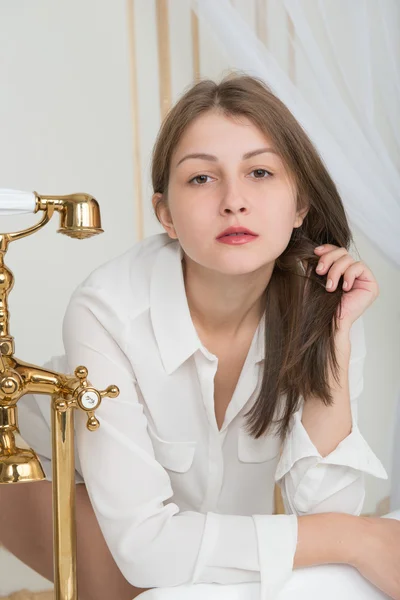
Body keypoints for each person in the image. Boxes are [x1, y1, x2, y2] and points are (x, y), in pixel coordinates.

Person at [1, 74, 399, 600]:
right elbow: (147, 549)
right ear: (165, 213)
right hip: (41, 473)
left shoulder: (327, 301)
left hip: (173, 528)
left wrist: (334, 341)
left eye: (260, 172)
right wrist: (355, 536)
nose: (234, 200)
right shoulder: (107, 309)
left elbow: (327, 512)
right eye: (201, 179)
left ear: (300, 205)